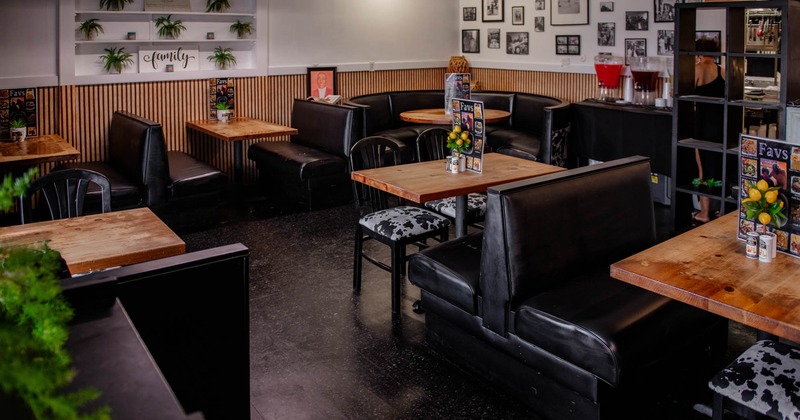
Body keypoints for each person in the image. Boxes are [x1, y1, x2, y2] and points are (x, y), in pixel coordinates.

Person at [692, 38, 725, 225]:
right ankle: (722, 210)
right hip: (721, 125)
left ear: (698, 53)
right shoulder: (723, 71)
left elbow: (681, 94)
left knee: (702, 168)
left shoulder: (698, 69)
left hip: (703, 125)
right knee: (718, 167)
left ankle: (704, 213)